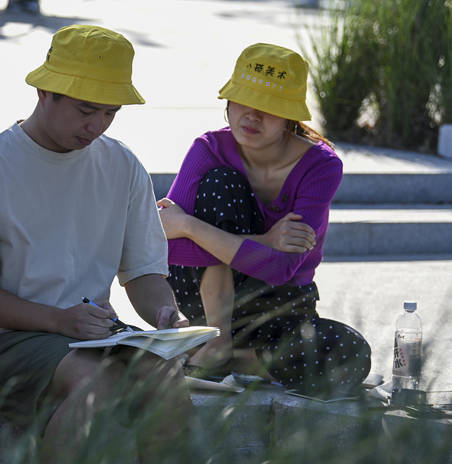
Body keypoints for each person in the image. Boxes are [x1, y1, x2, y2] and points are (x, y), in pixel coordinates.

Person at [0, 25, 189, 464]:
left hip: (90, 332)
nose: (97, 125)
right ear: (44, 92)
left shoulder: (123, 164)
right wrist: (56, 320)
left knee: (164, 377)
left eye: (110, 113)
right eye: (86, 109)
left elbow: (144, 273)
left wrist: (168, 316)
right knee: (95, 384)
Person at [157, 42, 371, 395]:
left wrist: (189, 226)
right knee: (222, 184)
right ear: (228, 102)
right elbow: (171, 251)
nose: (252, 116)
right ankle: (216, 341)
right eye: (243, 101)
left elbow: (282, 268)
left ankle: (226, 359)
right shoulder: (208, 149)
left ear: (290, 117)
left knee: (350, 353)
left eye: (268, 108)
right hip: (205, 299)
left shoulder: (321, 166)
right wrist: (266, 242)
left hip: (280, 302)